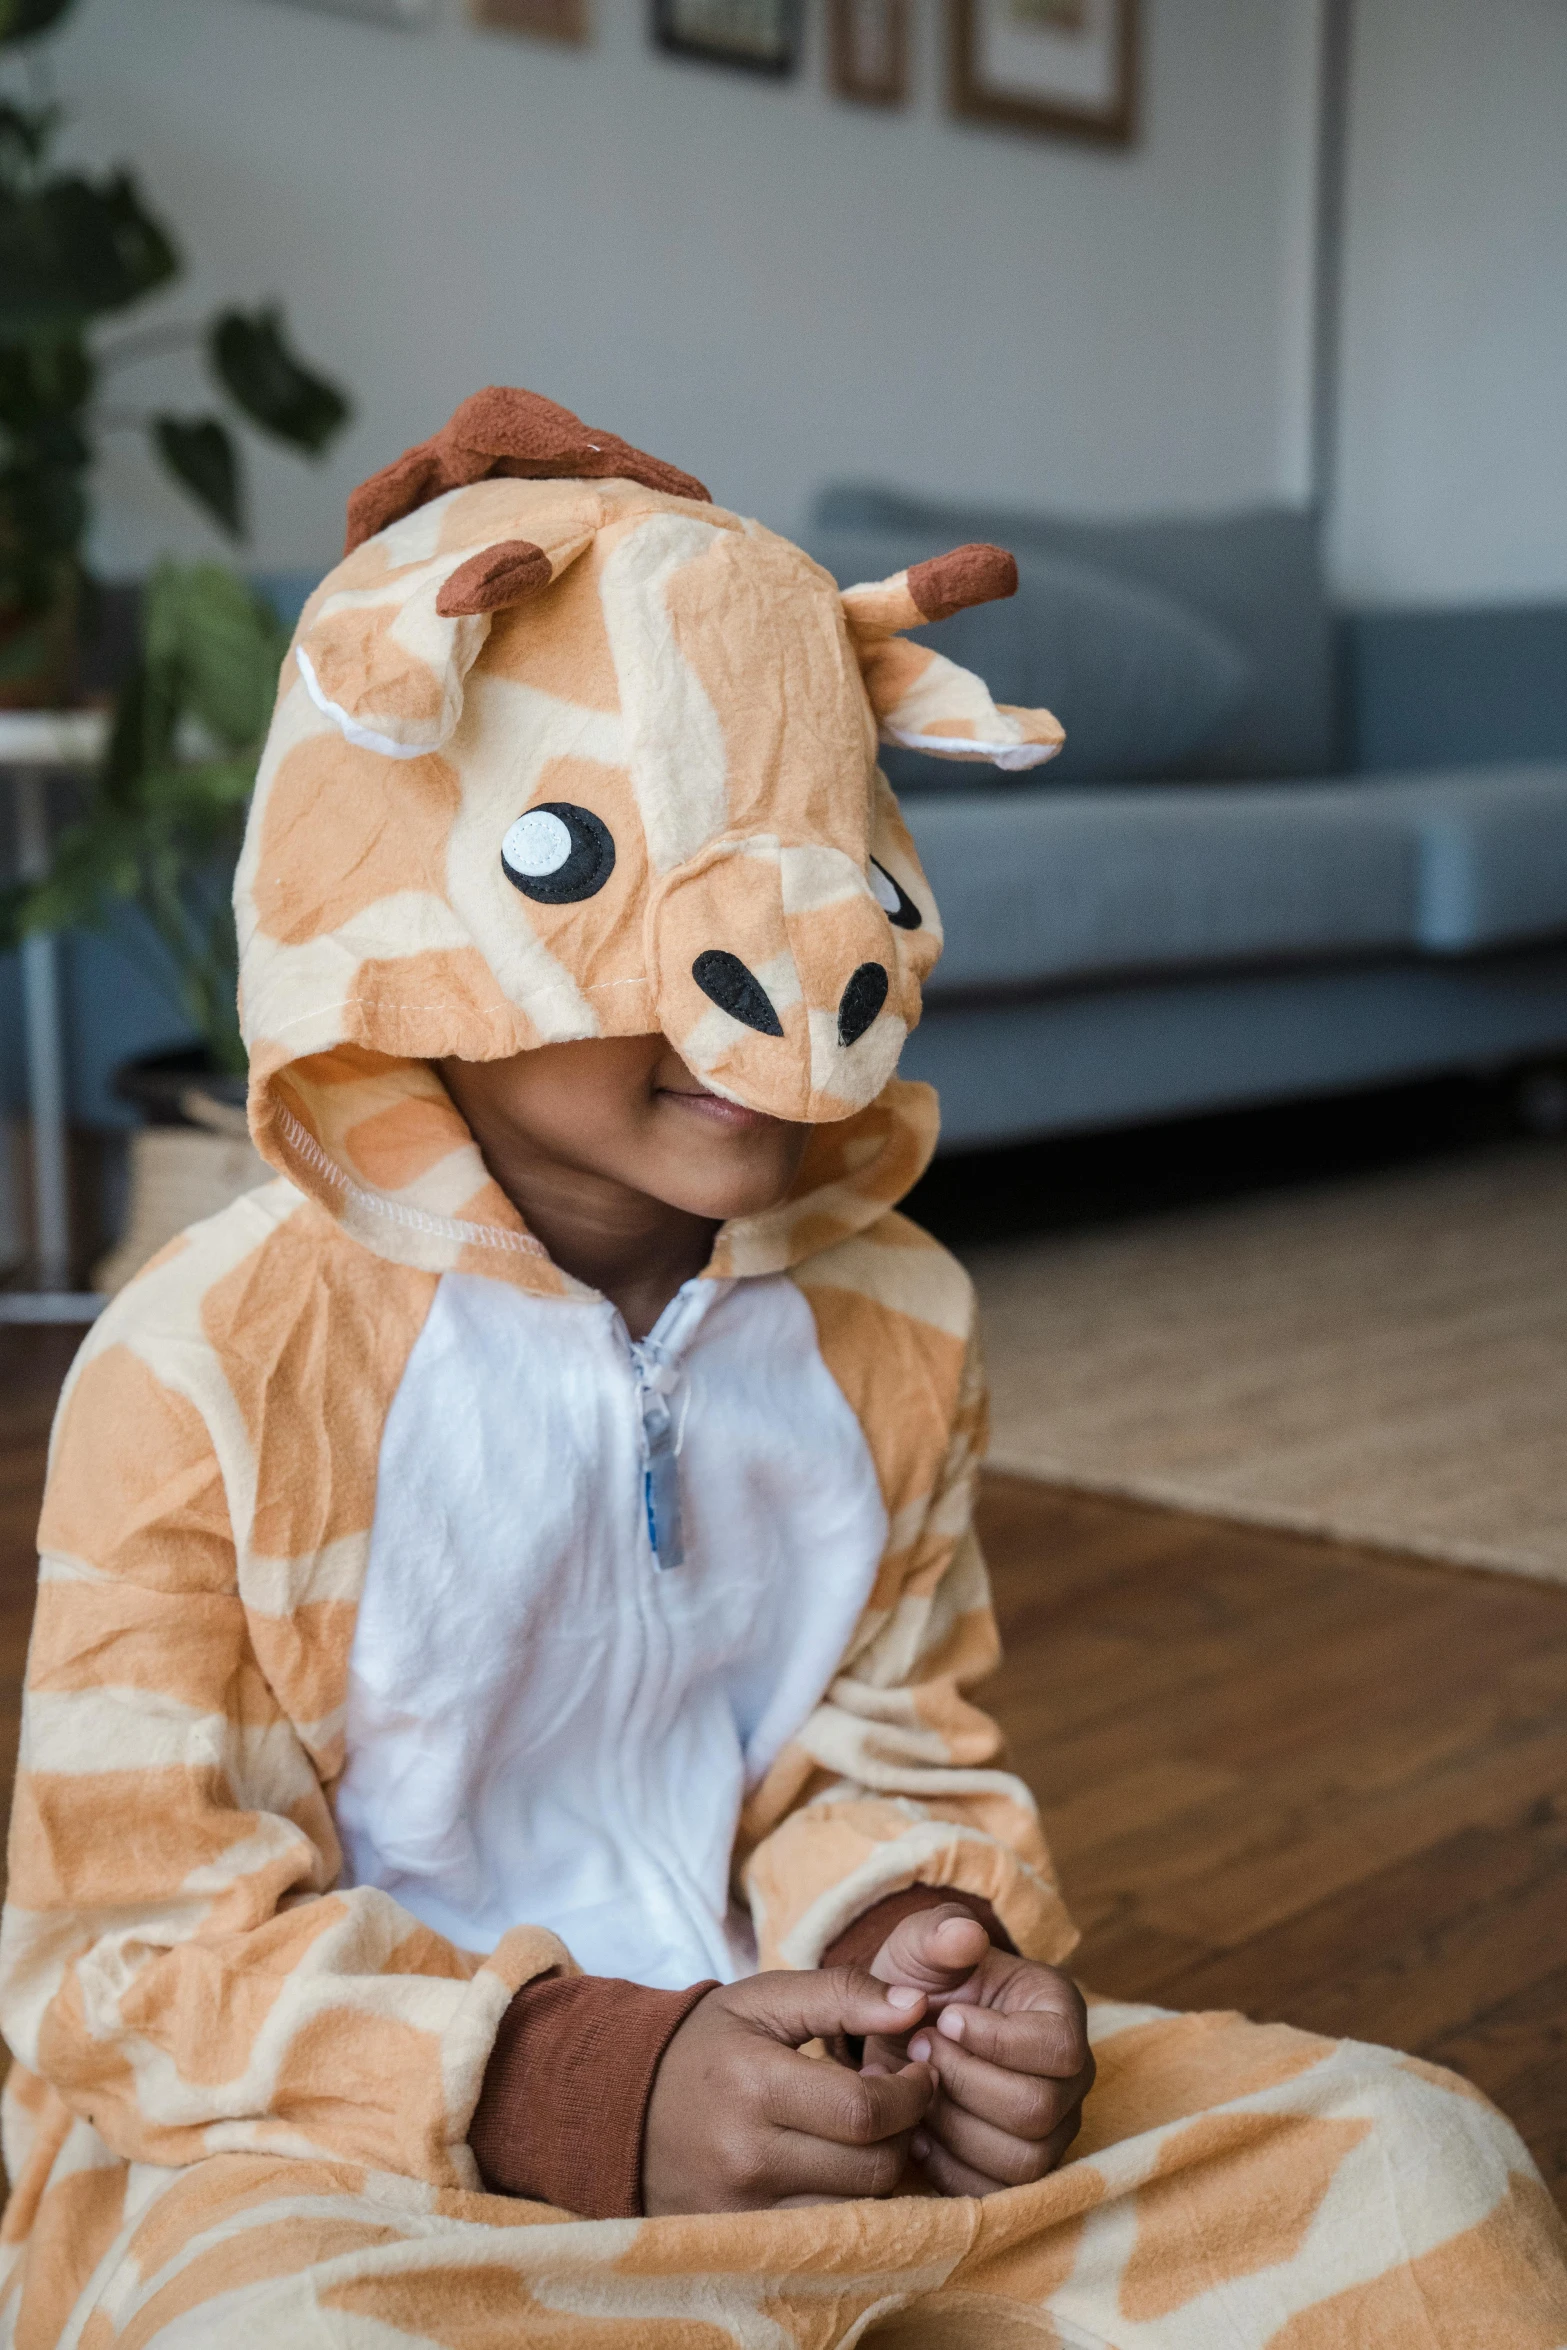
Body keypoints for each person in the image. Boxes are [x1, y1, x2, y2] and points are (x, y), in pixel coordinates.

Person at [0, 388, 1561, 2348]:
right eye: (614, 856)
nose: (780, 952)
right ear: (402, 877)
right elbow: (124, 1945)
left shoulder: (893, 1323)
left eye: (825, 839)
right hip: (374, 2169)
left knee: (1426, 2169)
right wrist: (587, 2080)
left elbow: (889, 1743)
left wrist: (933, 1951)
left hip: (832, 2117)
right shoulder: (205, 1362)